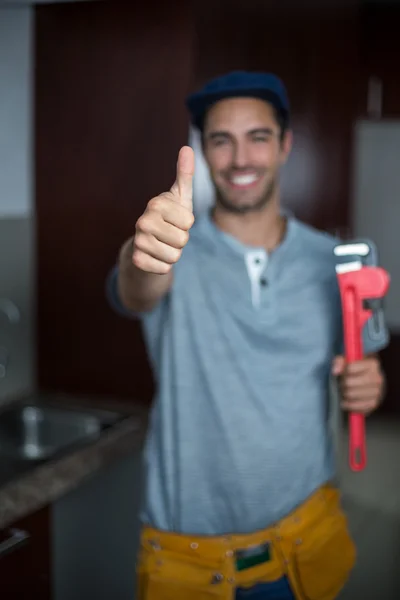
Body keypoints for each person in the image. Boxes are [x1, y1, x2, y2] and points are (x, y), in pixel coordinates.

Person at [107, 71, 387, 600]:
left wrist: (367, 388)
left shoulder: (332, 260)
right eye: (221, 140)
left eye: (257, 137)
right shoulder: (173, 247)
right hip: (188, 558)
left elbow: (361, 367)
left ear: (285, 146)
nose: (241, 159)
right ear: (204, 151)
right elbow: (137, 290)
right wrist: (144, 254)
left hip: (308, 539)